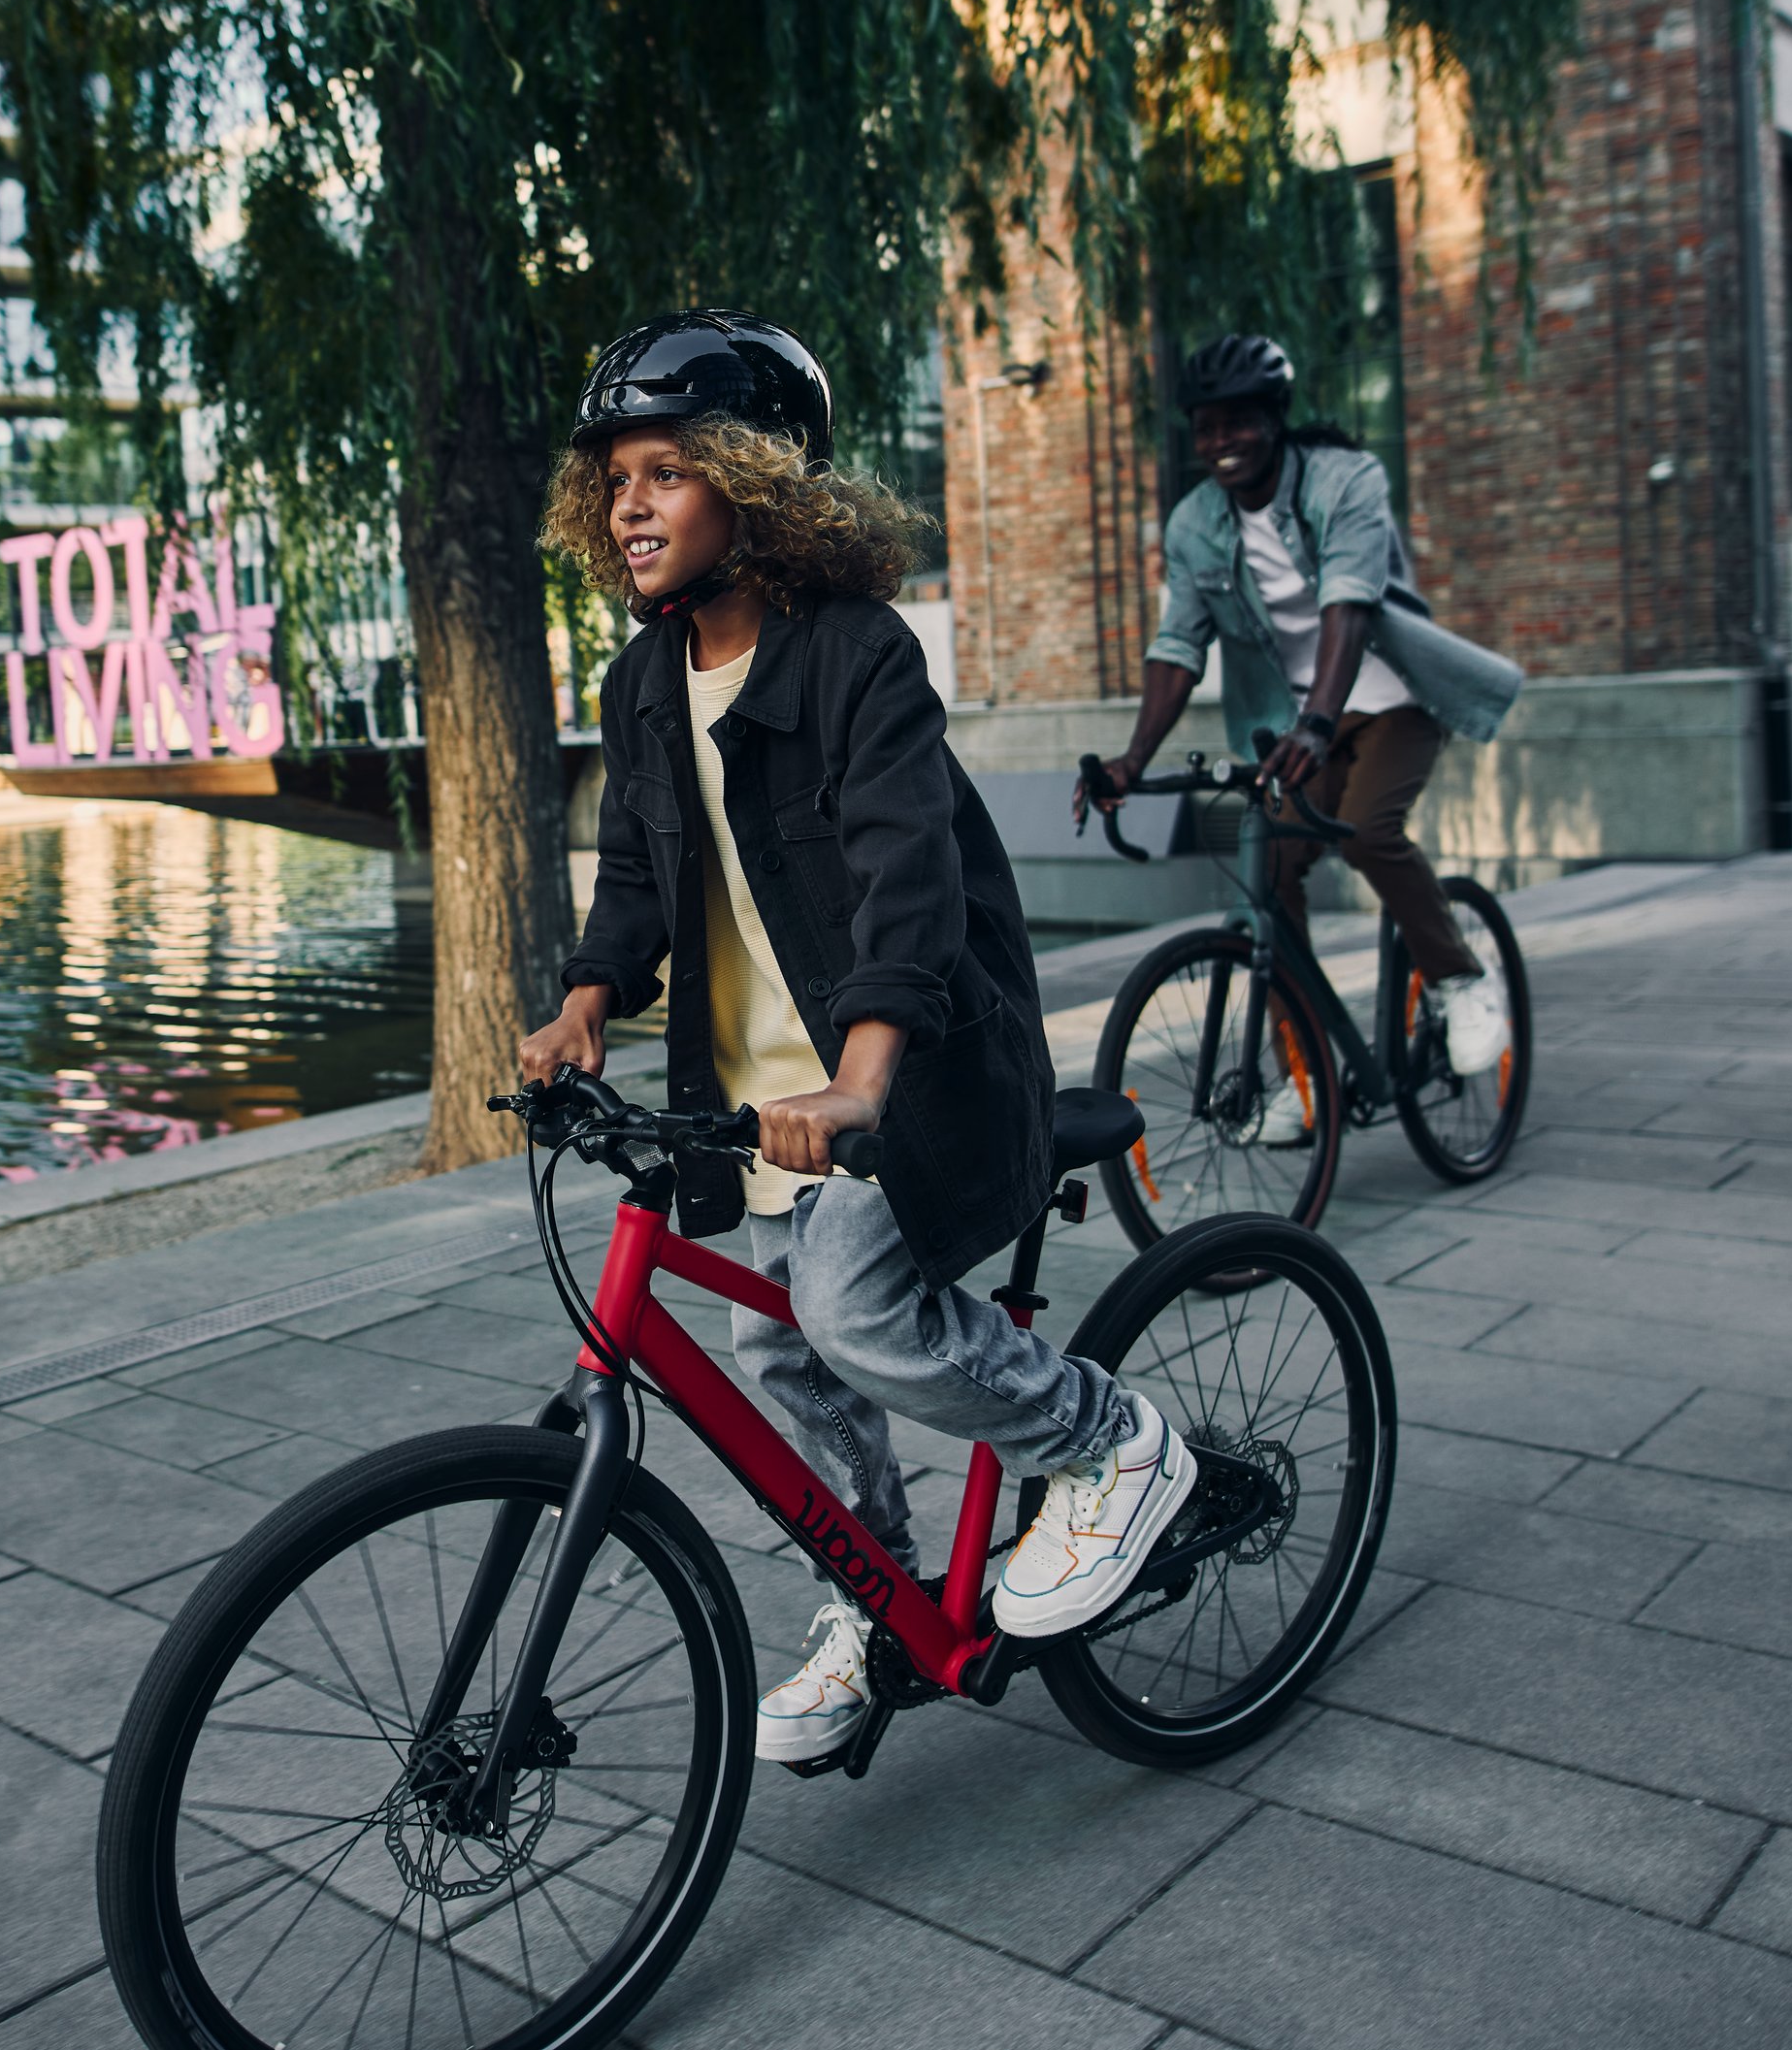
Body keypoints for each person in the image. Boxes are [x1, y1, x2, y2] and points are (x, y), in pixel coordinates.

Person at [520, 309, 1198, 1768]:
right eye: (614, 478)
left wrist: (866, 1077)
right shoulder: (644, 683)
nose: (630, 504)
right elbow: (640, 874)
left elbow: (910, 878)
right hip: (759, 1105)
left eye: (668, 472)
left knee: (855, 1311)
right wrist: (586, 1001)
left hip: (918, 1071)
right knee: (774, 1352)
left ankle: (1106, 1443)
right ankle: (876, 1599)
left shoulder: (855, 657)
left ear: (756, 484)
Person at [1079, 332, 1525, 1092]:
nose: (1222, 441)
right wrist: (1132, 759)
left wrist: (1321, 721)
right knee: (1272, 880)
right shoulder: (1194, 523)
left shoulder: (1344, 480)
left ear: (1275, 419)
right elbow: (1177, 645)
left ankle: (1460, 981)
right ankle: (1304, 1078)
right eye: (1207, 426)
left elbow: (1348, 599)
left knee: (1370, 831)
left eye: (1239, 421)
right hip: (1295, 721)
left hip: (1389, 700)